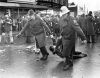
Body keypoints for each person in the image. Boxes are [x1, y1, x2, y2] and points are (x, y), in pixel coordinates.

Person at [54, 6, 87, 70]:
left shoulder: (72, 19)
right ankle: (70, 63)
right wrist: (60, 35)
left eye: (64, 14)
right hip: (63, 37)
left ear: (67, 13)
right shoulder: (61, 19)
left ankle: (68, 63)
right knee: (67, 51)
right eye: (62, 14)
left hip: (70, 38)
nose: (63, 16)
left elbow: (78, 29)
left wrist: (83, 38)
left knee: (66, 52)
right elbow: (61, 28)